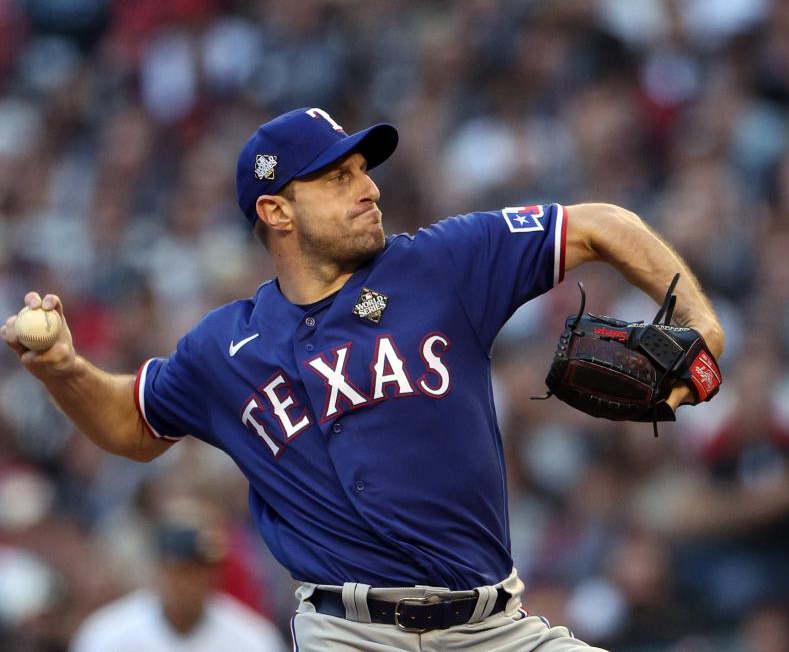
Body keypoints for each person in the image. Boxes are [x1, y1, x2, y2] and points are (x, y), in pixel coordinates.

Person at [2, 107, 724, 651]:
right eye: (337, 176)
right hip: (352, 634)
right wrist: (64, 368)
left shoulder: (439, 266)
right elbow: (132, 422)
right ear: (276, 209)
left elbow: (596, 224)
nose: (367, 188)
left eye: (364, 170)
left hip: (495, 627)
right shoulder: (224, 348)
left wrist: (703, 324)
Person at [70, 505, 286, 652]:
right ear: (159, 570)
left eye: (200, 570)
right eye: (182, 570)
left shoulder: (253, 640)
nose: (190, 582)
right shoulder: (108, 635)